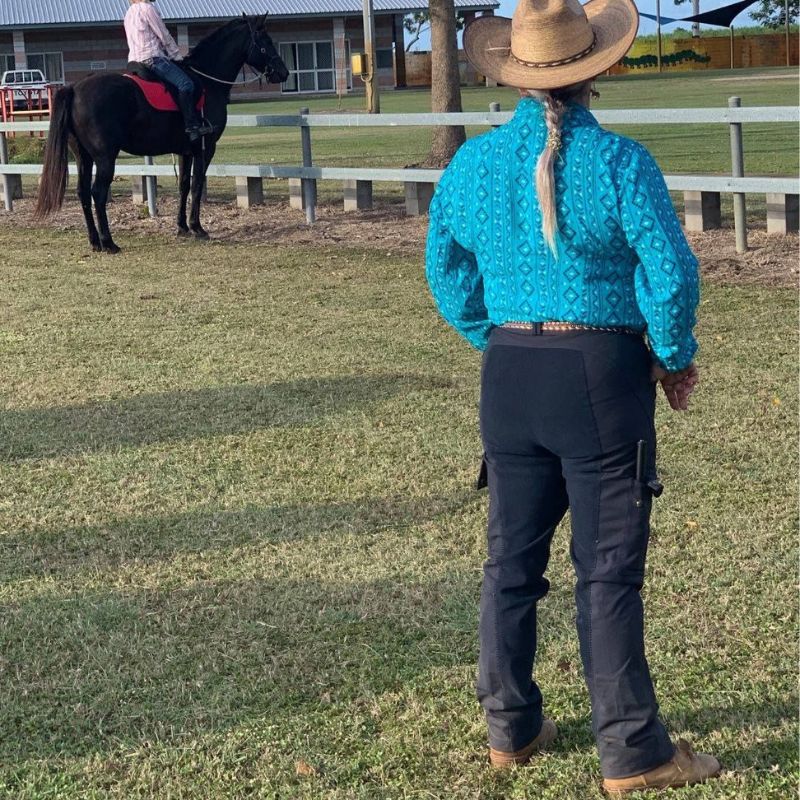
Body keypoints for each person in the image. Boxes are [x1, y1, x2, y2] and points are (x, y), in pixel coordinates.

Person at [425, 0, 720, 793]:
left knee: (509, 561)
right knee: (608, 571)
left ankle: (510, 727)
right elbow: (672, 275)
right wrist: (673, 356)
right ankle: (633, 749)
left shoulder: (474, 166)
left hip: (511, 372)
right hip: (601, 374)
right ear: (598, 69)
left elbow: (444, 268)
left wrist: (494, 337)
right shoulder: (622, 163)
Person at [124, 0, 213, 141]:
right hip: (153, 59)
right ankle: (192, 126)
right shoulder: (148, 8)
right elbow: (163, 35)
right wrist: (177, 56)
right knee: (186, 84)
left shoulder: (129, 13)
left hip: (134, 61)